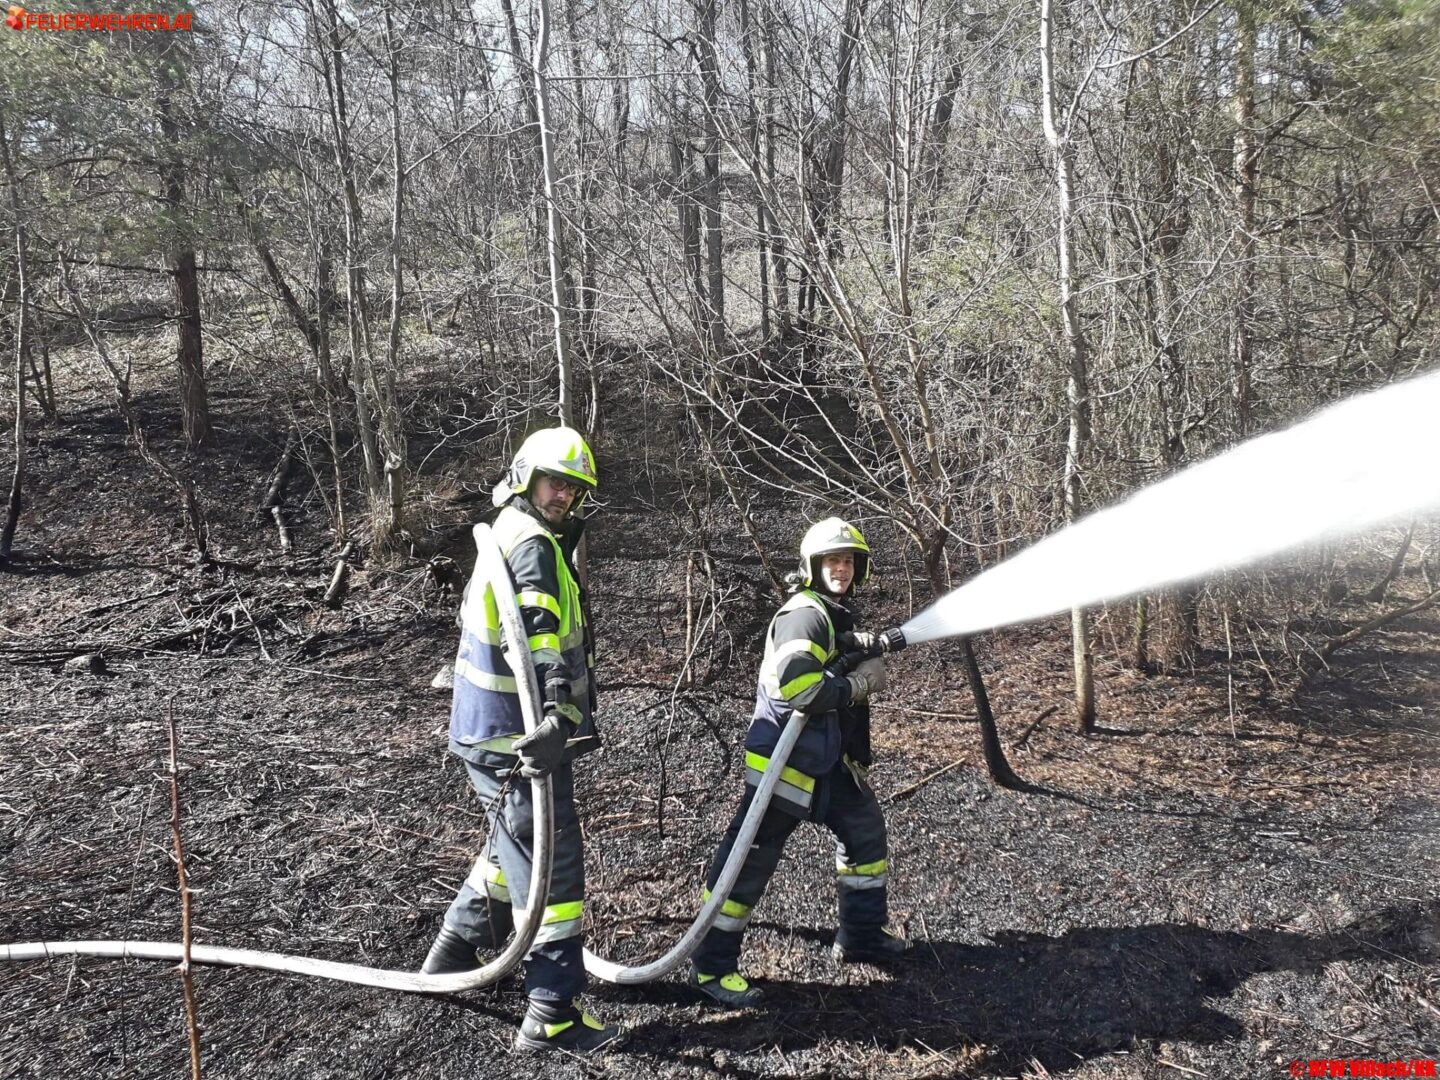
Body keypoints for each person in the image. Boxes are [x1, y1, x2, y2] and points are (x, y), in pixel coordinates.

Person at [419, 425, 626, 1054]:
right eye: (553, 482)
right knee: (551, 865)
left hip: (488, 728)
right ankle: (551, 1012)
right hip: (521, 735)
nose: (563, 495)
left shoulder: (507, 529)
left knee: (509, 849)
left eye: (572, 487)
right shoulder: (533, 545)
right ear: (524, 477)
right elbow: (537, 636)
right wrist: (558, 716)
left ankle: (453, 954)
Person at [688, 517, 912, 1007]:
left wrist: (859, 646)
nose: (842, 569)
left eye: (848, 561)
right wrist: (859, 684)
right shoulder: (803, 616)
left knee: (865, 836)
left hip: (830, 762)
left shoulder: (830, 615)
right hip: (786, 765)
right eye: (832, 560)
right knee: (749, 861)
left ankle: (862, 936)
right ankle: (711, 966)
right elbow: (803, 690)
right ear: (813, 565)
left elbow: (830, 656)